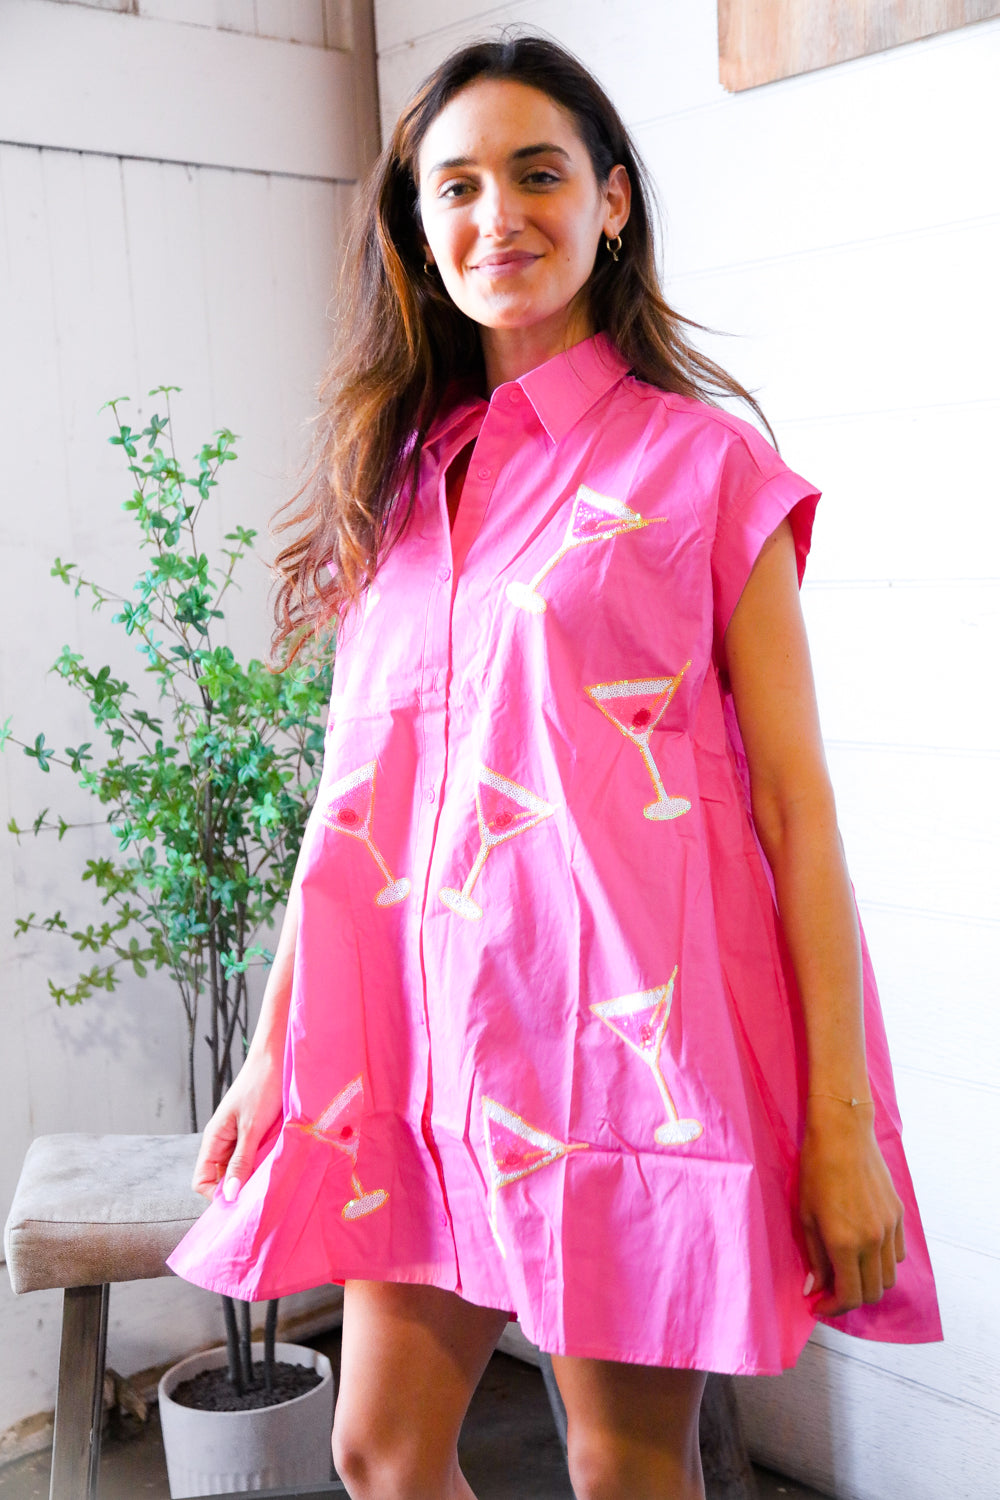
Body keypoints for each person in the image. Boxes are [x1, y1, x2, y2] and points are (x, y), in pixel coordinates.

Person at [168, 35, 941, 1500]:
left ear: (613, 204)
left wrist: (843, 1127)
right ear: (419, 228)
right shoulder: (401, 492)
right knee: (384, 1451)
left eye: (537, 173)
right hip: (418, 1052)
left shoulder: (705, 472)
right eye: (455, 186)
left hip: (626, 1057)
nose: (496, 214)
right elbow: (353, 803)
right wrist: (276, 1049)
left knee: (624, 1464)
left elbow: (797, 808)